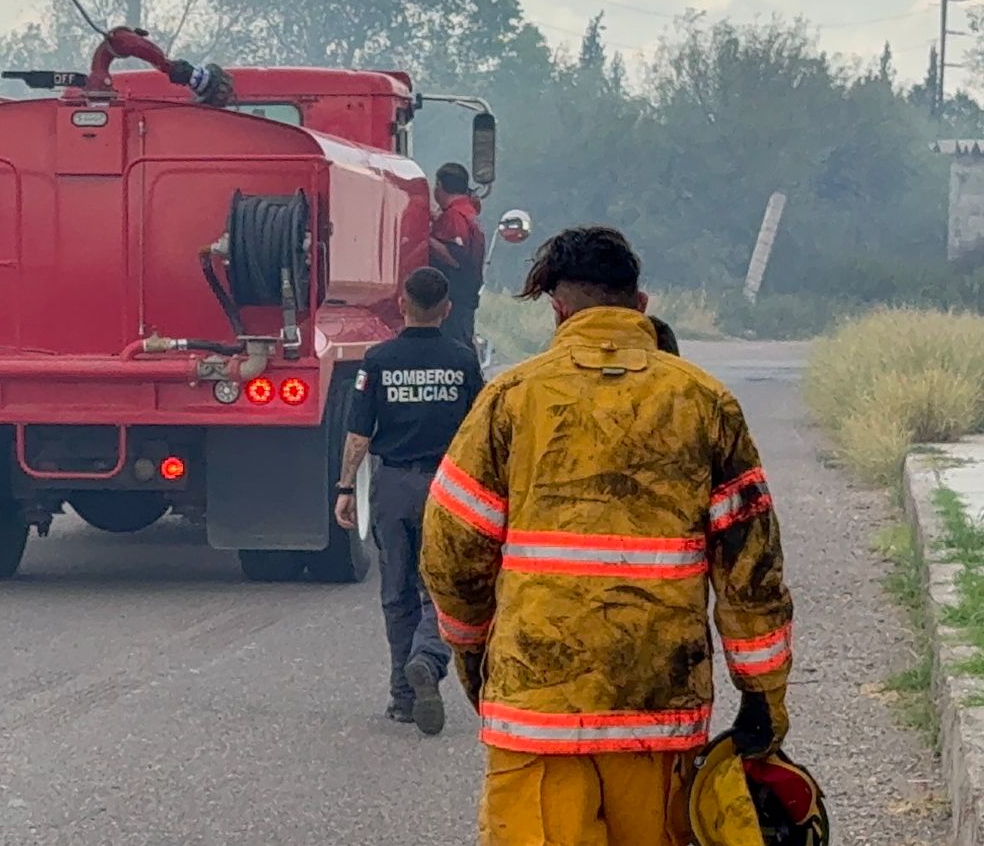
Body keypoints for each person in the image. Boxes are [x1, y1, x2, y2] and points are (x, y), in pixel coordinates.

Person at [418, 226, 793, 844]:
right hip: (658, 712)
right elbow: (753, 573)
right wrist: (763, 701)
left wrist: (473, 656)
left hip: (537, 711)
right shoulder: (704, 402)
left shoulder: (511, 399)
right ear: (640, 305)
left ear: (558, 309)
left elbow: (452, 554)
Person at [334, 267, 485, 736]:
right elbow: (478, 434)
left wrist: (344, 488)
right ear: (447, 309)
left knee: (396, 593)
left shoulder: (378, 360)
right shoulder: (463, 361)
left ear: (402, 304)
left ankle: (403, 694)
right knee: (440, 589)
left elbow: (359, 434)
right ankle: (428, 658)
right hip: (445, 489)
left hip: (393, 487)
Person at [428, 162, 487, 351]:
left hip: (454, 300)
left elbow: (455, 257)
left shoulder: (454, 216)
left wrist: (424, 237)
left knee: (452, 348)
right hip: (466, 299)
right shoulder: (469, 213)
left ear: (440, 186)